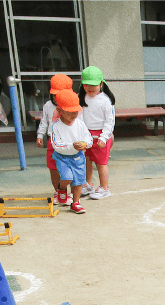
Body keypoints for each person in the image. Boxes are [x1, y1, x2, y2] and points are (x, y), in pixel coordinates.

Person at [48, 89, 92, 214]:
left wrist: (86, 144)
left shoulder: (80, 124)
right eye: (69, 112)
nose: (74, 115)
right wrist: (72, 146)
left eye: (76, 112)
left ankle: (76, 203)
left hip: (78, 156)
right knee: (67, 177)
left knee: (78, 181)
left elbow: (88, 138)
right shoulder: (56, 126)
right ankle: (61, 188)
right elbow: (56, 145)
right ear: (60, 111)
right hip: (62, 157)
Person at [78, 66, 116, 200]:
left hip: (100, 136)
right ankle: (88, 184)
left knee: (101, 163)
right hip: (86, 135)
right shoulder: (82, 98)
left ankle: (104, 188)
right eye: (86, 85)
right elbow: (80, 118)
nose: (89, 88)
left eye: (93, 85)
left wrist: (104, 137)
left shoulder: (106, 100)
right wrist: (82, 134)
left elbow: (109, 122)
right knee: (86, 161)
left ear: (101, 84)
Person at [36, 74, 73, 206]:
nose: (56, 98)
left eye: (60, 95)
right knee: (53, 169)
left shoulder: (72, 105)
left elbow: (79, 123)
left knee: (68, 169)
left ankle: (68, 193)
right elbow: (44, 121)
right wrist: (40, 135)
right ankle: (58, 192)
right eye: (54, 95)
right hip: (52, 141)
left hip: (68, 142)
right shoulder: (48, 106)